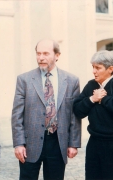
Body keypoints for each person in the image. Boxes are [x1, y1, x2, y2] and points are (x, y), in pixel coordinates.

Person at [11, 39, 81, 180]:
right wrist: (19, 144)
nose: (41, 57)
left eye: (45, 53)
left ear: (57, 55)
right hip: (30, 144)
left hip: (57, 142)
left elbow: (74, 115)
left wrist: (73, 143)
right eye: (38, 54)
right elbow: (16, 115)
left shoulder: (71, 80)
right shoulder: (24, 80)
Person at [73, 50, 113, 180]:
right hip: (94, 143)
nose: (94, 71)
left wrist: (103, 99)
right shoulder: (91, 85)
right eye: (93, 67)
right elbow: (77, 110)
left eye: (98, 68)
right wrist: (92, 99)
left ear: (110, 69)